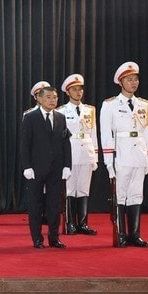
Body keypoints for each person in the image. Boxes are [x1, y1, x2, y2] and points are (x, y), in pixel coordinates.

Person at [100, 61, 148, 248]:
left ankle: (134, 235)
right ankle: (120, 234)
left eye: (136, 79)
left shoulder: (144, 105)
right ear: (120, 82)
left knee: (136, 195)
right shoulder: (110, 105)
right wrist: (108, 162)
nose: (133, 83)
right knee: (120, 195)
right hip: (120, 155)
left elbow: (147, 132)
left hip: (139, 155)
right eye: (129, 80)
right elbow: (106, 135)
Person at [20, 86, 72, 249]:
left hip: (56, 168)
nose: (52, 100)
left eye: (55, 97)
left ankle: (54, 237)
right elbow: (25, 144)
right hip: (36, 168)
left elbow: (66, 143)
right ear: (39, 99)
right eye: (48, 97)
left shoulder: (61, 117)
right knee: (35, 204)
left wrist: (67, 165)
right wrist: (27, 166)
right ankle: (37, 238)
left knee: (54, 205)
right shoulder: (30, 117)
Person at [58, 73, 98, 235]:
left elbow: (94, 133)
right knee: (69, 189)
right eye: (74, 89)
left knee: (83, 189)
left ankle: (82, 223)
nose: (78, 92)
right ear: (68, 92)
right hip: (70, 152)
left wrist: (95, 156)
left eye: (80, 89)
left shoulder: (89, 110)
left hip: (86, 151)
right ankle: (69, 224)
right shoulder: (61, 111)